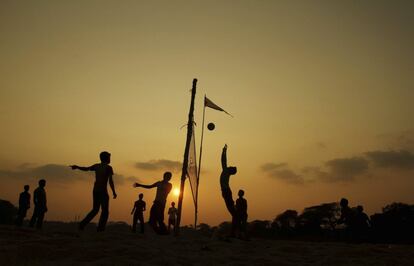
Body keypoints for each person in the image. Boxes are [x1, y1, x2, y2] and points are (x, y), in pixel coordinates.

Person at [70, 151, 117, 232]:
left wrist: (77, 167)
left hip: (95, 190)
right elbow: (110, 181)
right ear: (106, 158)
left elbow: (86, 169)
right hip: (103, 191)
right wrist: (114, 192)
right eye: (109, 157)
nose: (110, 159)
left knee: (95, 210)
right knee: (105, 211)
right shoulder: (109, 168)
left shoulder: (96, 166)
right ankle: (100, 229)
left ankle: (82, 224)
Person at [220, 144, 238, 237]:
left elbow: (223, 160)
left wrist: (224, 151)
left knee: (234, 214)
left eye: (231, 167)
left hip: (226, 192)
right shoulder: (226, 172)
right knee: (234, 214)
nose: (230, 166)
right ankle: (234, 232)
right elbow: (224, 161)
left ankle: (233, 233)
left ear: (231, 170)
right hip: (227, 192)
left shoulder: (226, 171)